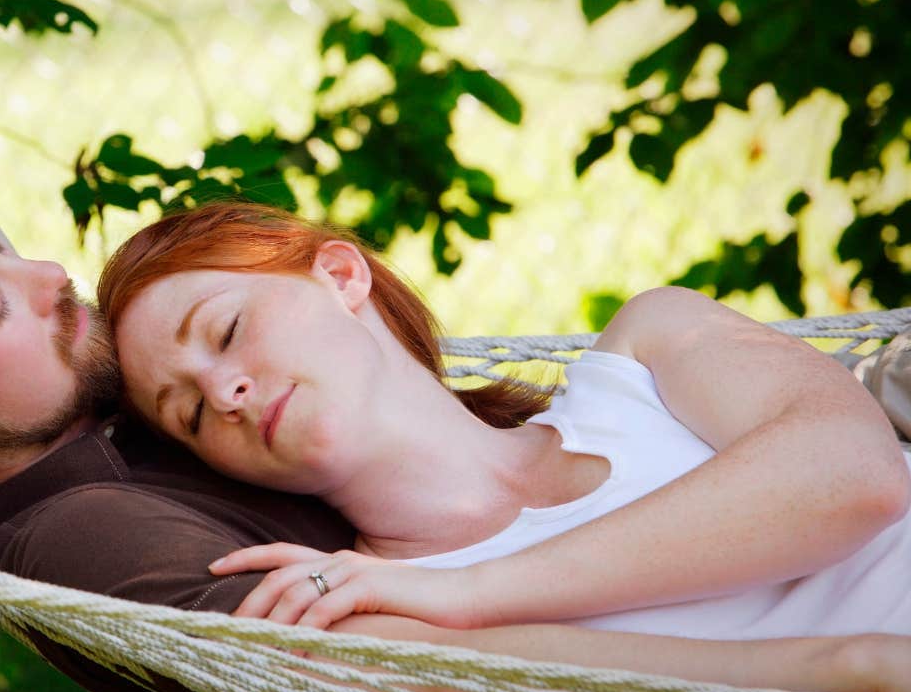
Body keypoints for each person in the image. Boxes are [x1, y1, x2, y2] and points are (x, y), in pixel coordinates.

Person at [0, 115, 911, 692]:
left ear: (339, 274)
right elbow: (426, 679)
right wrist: (840, 676)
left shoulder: (647, 346)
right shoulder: (82, 539)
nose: (55, 282)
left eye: (8, 246)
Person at [99, 202, 911, 627]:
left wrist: (479, 590)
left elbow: (859, 477)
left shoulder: (649, 350)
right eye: (191, 414)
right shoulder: (381, 612)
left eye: (225, 329)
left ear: (341, 275)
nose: (225, 393)